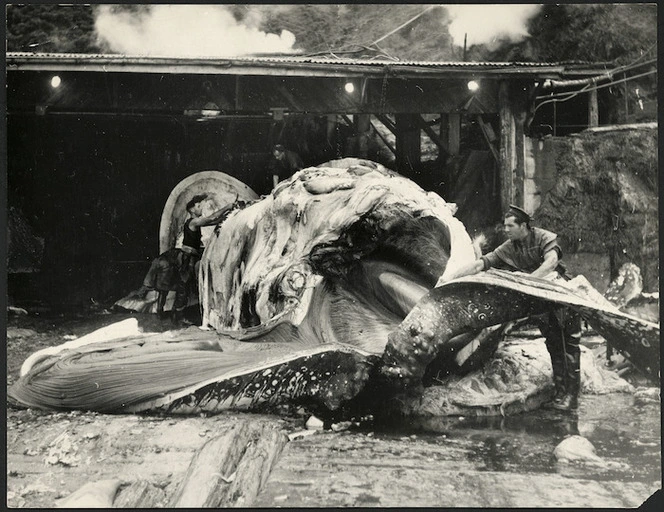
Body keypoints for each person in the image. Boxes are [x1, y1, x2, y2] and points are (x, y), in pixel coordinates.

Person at [435, 205, 583, 411]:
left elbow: (551, 262)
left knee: (569, 346)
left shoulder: (543, 237)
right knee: (554, 344)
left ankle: (571, 397)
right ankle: (560, 394)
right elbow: (481, 264)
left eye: (510, 225)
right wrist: (451, 278)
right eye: (505, 226)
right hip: (542, 301)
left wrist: (529, 282)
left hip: (563, 296)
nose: (506, 229)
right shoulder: (510, 247)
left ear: (524, 226)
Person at [134, 194, 238, 325]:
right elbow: (211, 218)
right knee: (183, 287)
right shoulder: (193, 221)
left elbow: (213, 221)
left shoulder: (195, 222)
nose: (201, 209)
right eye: (199, 206)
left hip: (190, 256)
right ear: (192, 209)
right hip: (186, 258)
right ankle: (176, 316)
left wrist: (229, 215)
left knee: (181, 287)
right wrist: (228, 207)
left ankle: (172, 314)